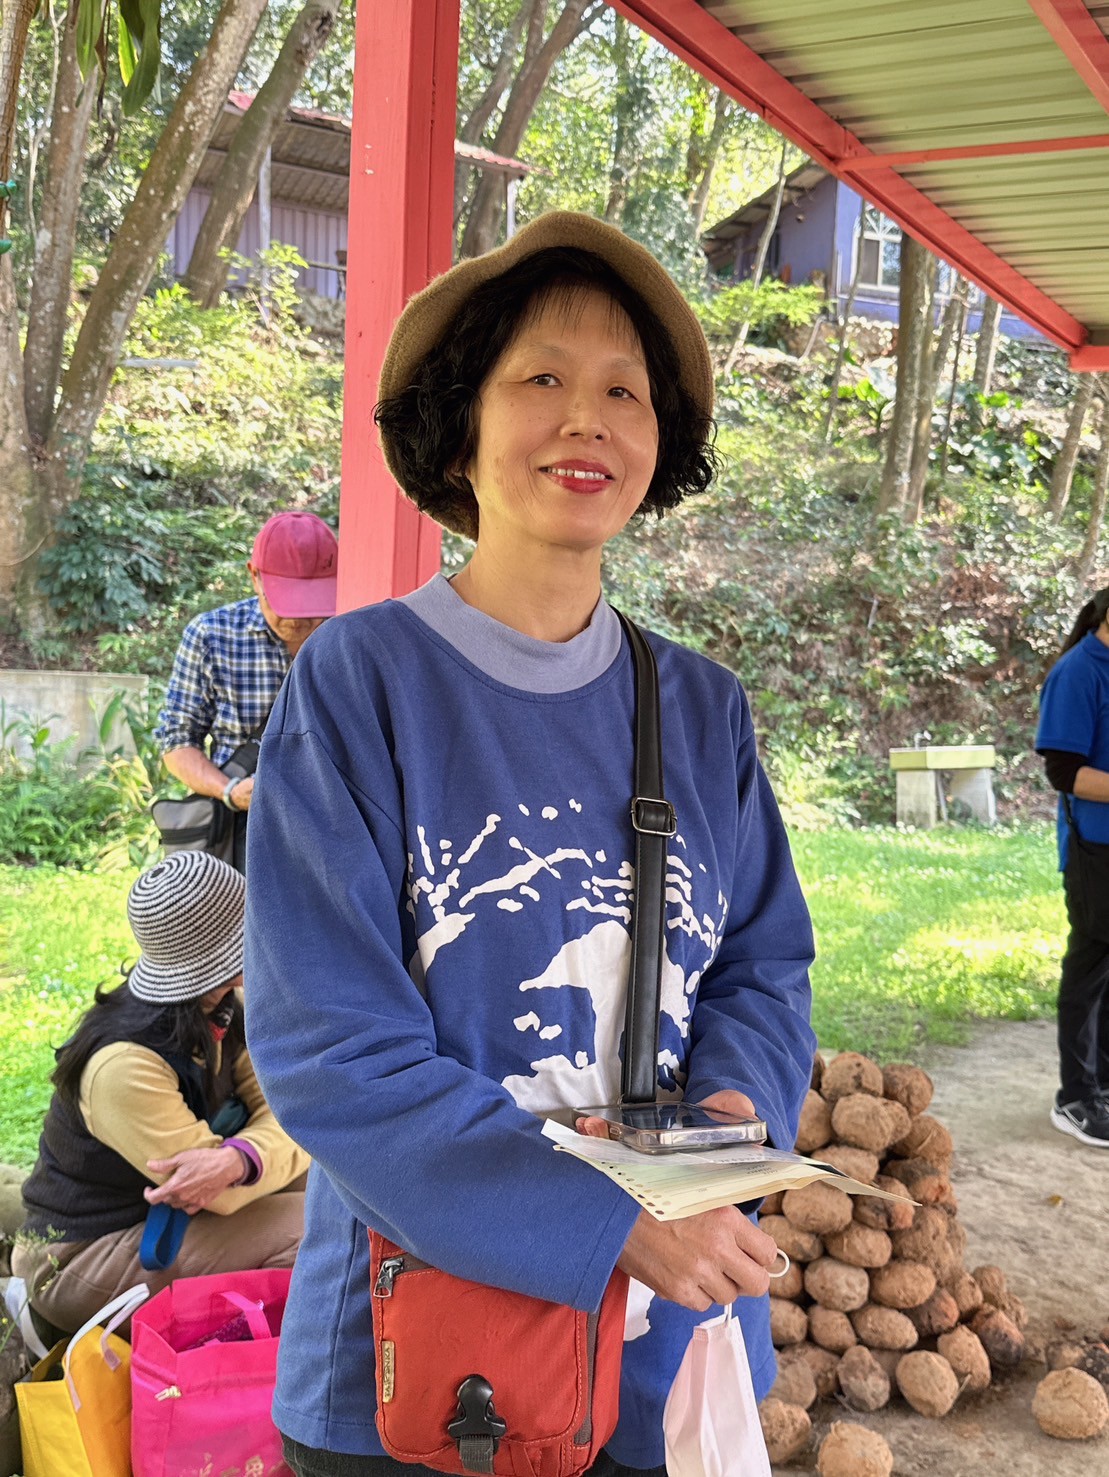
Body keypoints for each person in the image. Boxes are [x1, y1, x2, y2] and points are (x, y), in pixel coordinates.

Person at [244, 211, 816, 1476]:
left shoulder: (702, 707)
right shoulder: (361, 683)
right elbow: (332, 1047)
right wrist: (607, 1218)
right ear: (460, 426)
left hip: (663, 1345)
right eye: (540, 380)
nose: (585, 419)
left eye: (622, 390)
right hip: (419, 1362)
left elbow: (761, 967)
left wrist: (726, 1130)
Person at [13, 849, 310, 1336]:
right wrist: (249, 1159)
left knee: (333, 1188)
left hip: (159, 1219)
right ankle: (261, 1367)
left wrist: (243, 1158)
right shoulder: (123, 1066)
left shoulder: (218, 1007)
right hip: (79, 1256)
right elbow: (220, 1192)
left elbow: (283, 1107)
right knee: (321, 1230)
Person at [155, 509, 338, 871]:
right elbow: (176, 741)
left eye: (310, 604)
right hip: (243, 830)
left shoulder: (348, 634)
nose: (297, 620)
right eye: (285, 602)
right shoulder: (212, 636)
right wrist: (229, 791)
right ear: (254, 576)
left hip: (329, 829)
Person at [1036, 587, 1109, 1147]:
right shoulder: (1079, 672)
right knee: (1089, 967)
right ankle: (1075, 1097)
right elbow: (1064, 772)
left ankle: (1103, 1085)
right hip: (1095, 850)